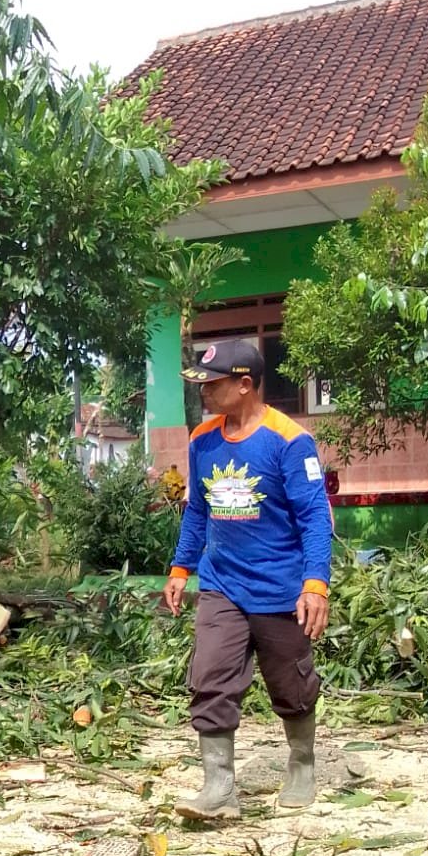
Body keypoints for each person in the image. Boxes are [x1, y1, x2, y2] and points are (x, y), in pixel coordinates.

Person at [161, 341, 332, 818]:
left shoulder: (289, 441)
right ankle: (219, 789)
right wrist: (181, 568)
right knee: (210, 676)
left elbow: (315, 517)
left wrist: (315, 585)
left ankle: (302, 763)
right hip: (222, 585)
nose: (204, 392)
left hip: (280, 588)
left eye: (212, 384)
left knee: (291, 685)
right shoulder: (202, 440)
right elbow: (198, 511)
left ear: (244, 384)